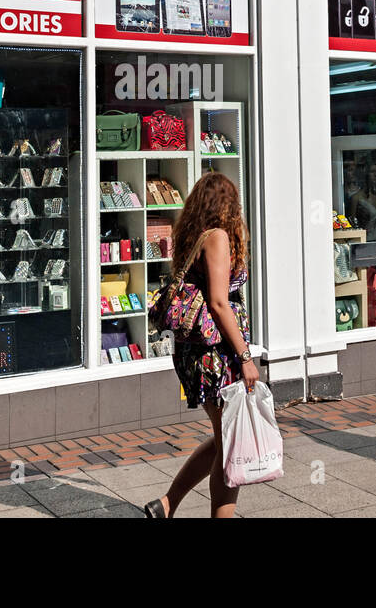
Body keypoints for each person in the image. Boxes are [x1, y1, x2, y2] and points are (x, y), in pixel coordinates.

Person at [144, 172, 259, 518]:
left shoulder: (194, 236)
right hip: (215, 354)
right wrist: (246, 357)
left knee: (224, 439)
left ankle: (166, 505)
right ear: (227, 207)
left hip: (196, 351)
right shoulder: (219, 238)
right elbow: (220, 303)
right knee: (230, 448)